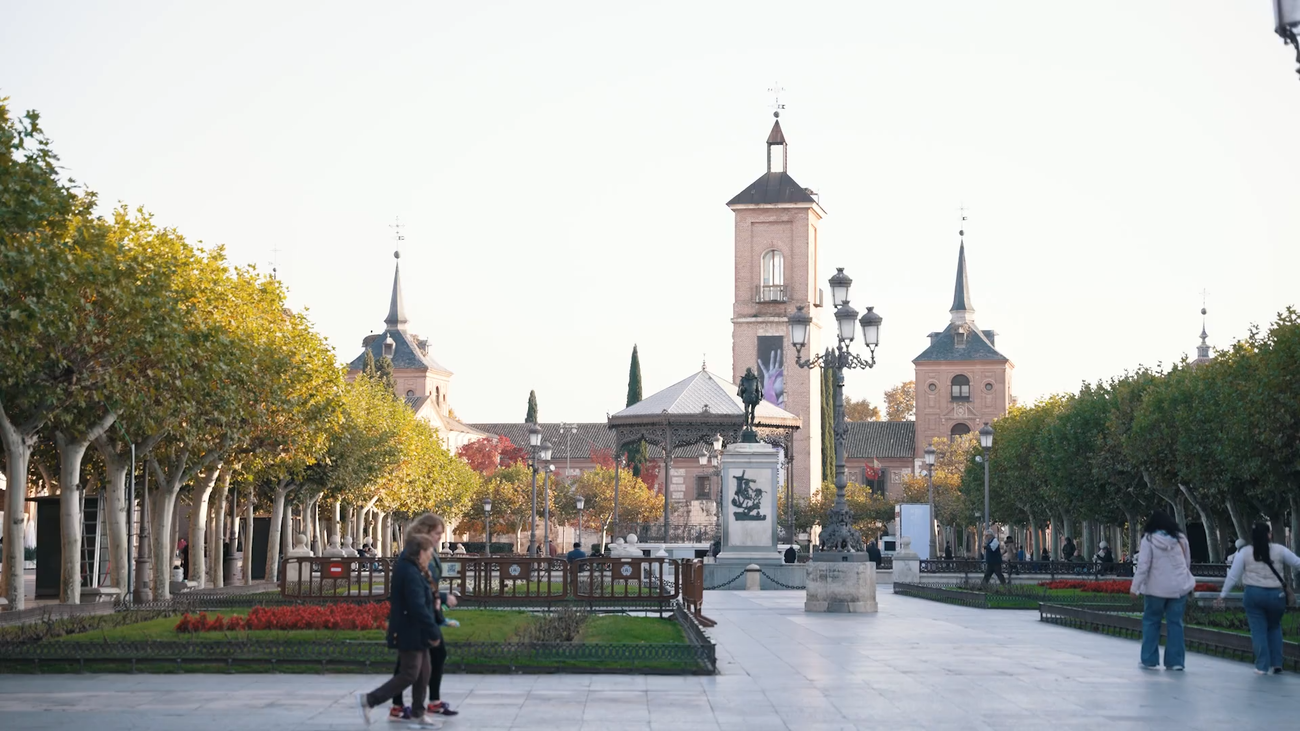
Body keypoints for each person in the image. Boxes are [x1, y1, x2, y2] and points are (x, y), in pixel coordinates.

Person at [355, 532, 442, 728]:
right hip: (409, 629)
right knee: (410, 673)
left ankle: (418, 714)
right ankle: (369, 700)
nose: (431, 555)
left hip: (417, 630)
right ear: (421, 552)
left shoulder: (416, 569)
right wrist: (433, 631)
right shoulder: (410, 572)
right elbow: (416, 606)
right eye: (429, 551)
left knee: (424, 673)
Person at [388, 514, 459, 721]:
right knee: (413, 663)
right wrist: (442, 597)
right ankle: (394, 704)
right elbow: (417, 584)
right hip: (416, 615)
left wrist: (438, 600)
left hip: (427, 611)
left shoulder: (429, 550)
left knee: (422, 660)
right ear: (425, 531)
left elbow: (428, 582)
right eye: (437, 533)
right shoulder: (414, 551)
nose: (439, 538)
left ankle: (417, 704)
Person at [1215, 523, 1300, 674]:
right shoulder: (1280, 550)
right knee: (1275, 627)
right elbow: (1297, 563)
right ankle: (1277, 663)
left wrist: (1222, 595)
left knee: (1258, 630)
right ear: (1269, 535)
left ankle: (1262, 666)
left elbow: (1233, 575)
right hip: (1276, 595)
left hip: (1254, 595)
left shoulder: (1245, 552)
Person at [1130, 510, 1195, 671]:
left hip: (1155, 589)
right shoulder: (1180, 539)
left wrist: (1135, 587)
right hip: (1179, 588)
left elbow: (1143, 566)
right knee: (1175, 624)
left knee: (1151, 622)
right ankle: (1176, 661)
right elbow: (1186, 563)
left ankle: (1149, 660)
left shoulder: (1149, 539)